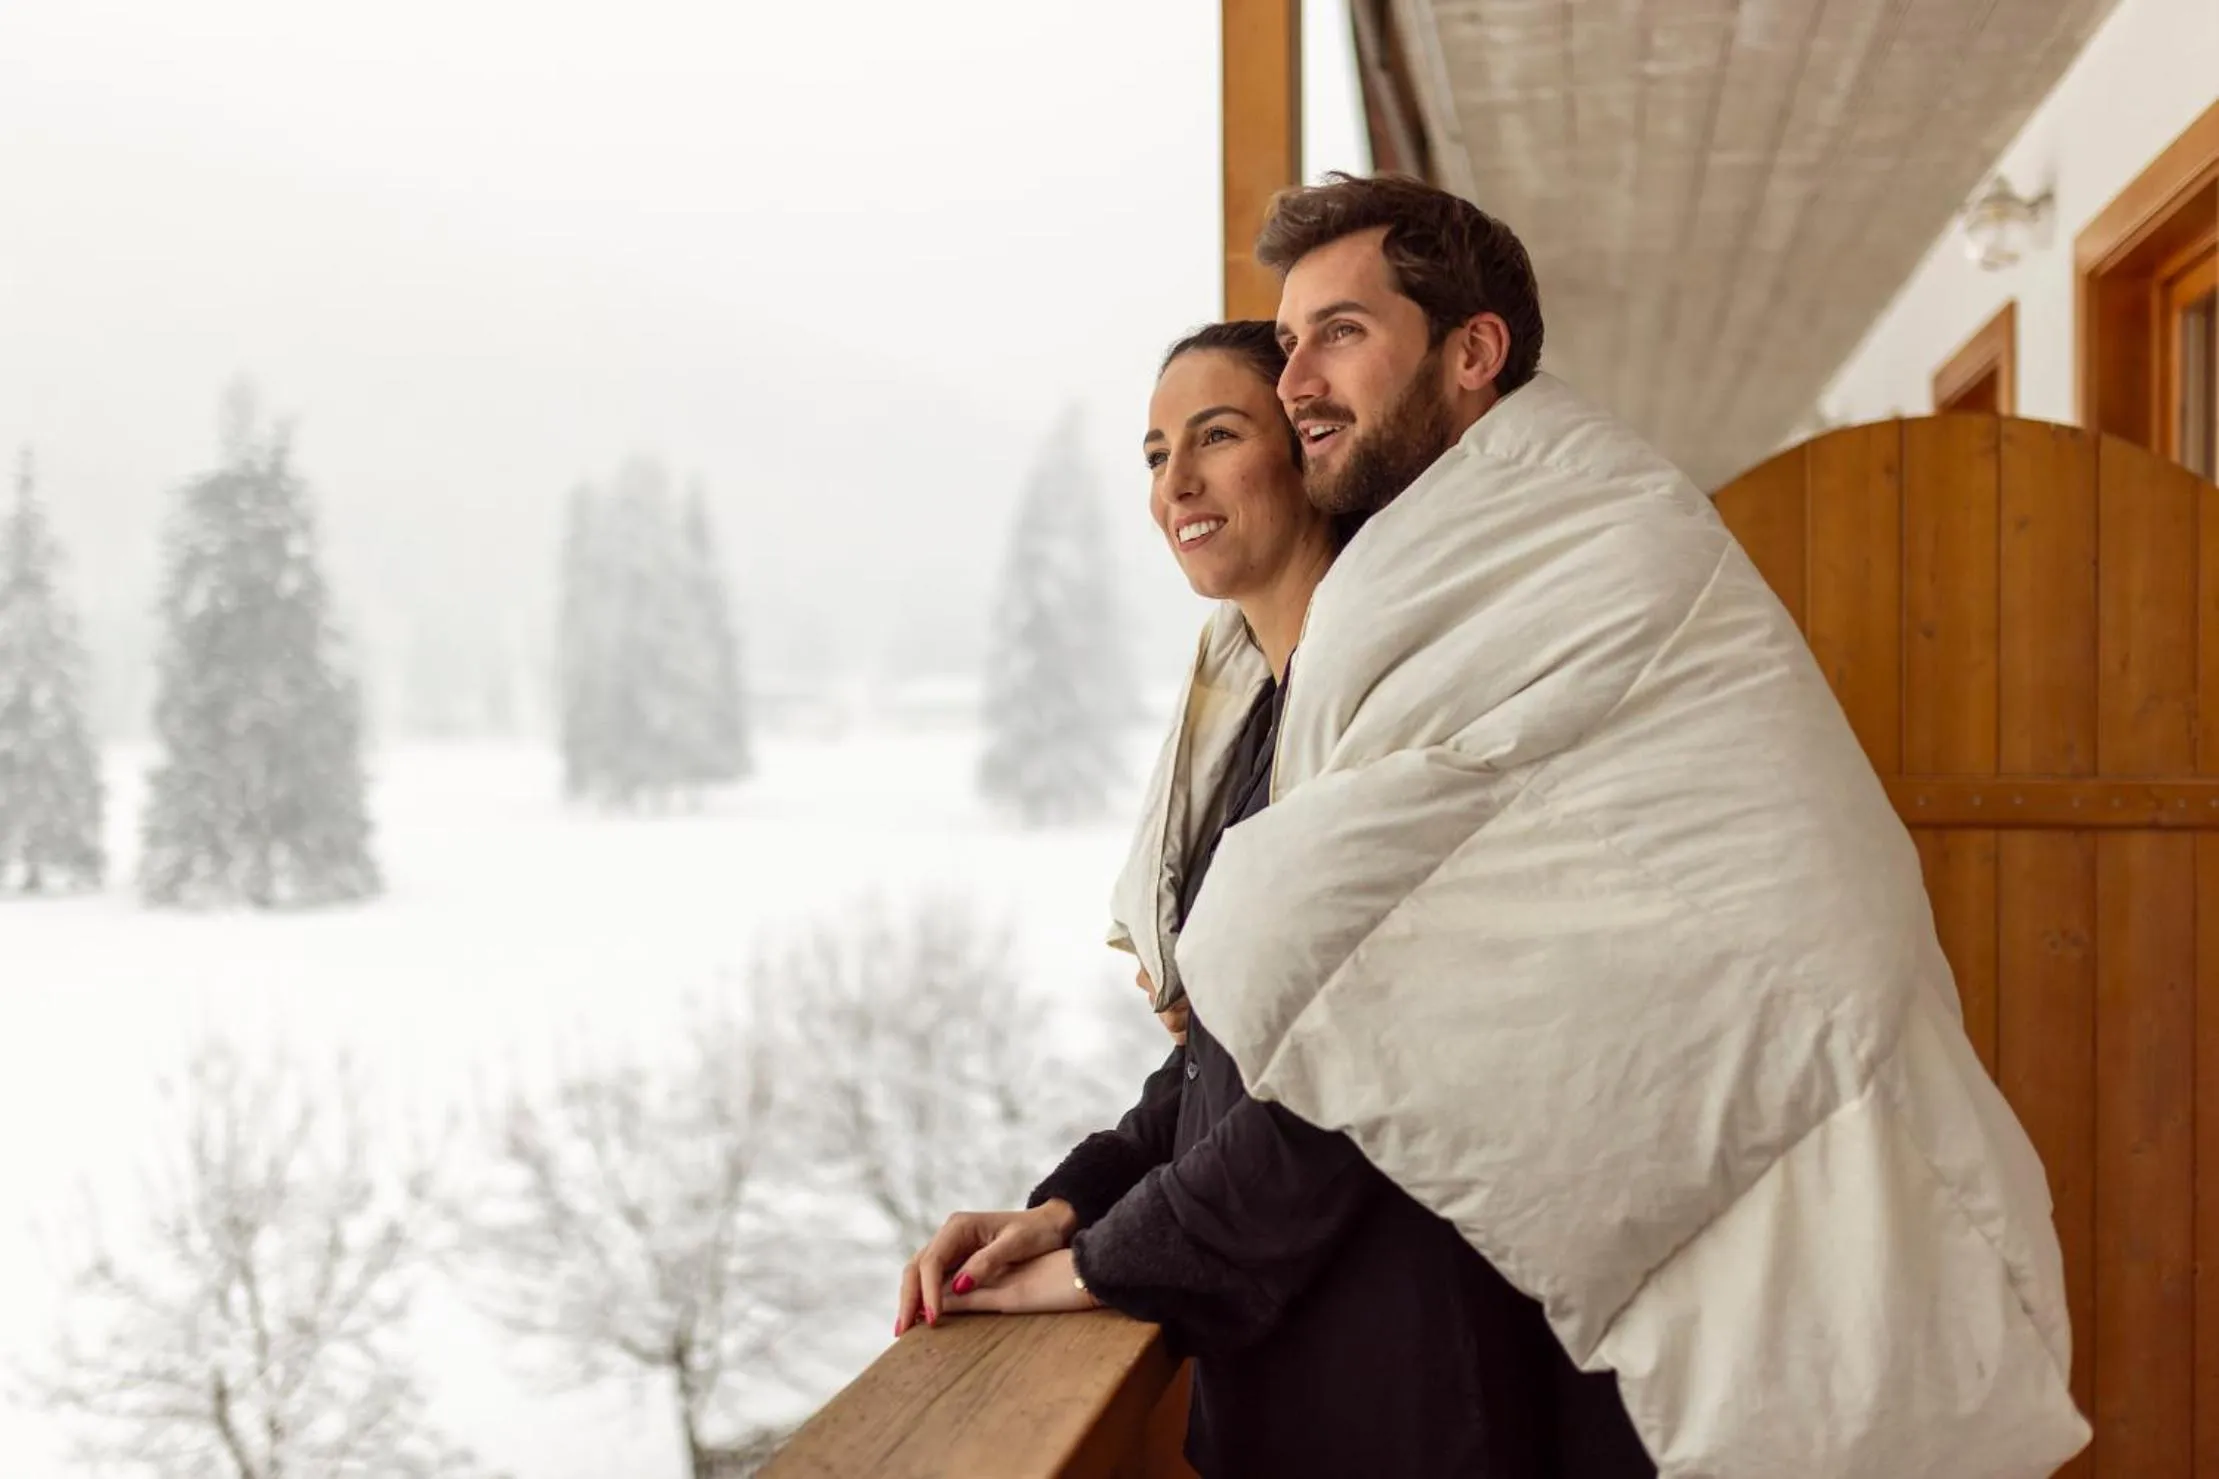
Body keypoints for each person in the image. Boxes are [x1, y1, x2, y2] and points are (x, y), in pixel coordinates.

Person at [1154, 174, 2083, 1476]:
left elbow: (1355, 951)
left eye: (1339, 332)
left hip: (1746, 1176)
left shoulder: (1573, 544)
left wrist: (1111, 1243)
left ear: (1471, 351)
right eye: (1290, 334)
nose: (1292, 375)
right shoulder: (1422, 569)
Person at [894, 319, 1652, 1479]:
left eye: (1216, 435)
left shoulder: (1397, 717)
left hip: (1417, 1372)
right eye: (1153, 453)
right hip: (1282, 1389)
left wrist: (1096, 1266)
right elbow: (1226, 1052)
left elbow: (1338, 1092)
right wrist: (1065, 1206)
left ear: (1306, 452)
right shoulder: (1252, 722)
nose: (1175, 484)